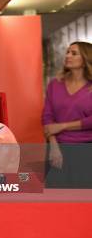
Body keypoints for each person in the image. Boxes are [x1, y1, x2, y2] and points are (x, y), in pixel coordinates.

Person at [42, 41, 92, 188]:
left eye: (74, 53)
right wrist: (53, 146)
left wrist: (62, 126)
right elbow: (47, 116)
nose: (68, 55)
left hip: (86, 150)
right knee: (57, 201)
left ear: (86, 59)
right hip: (57, 149)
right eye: (67, 52)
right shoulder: (55, 84)